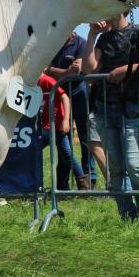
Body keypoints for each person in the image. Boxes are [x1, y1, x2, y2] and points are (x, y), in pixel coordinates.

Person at [82, 13, 139, 220]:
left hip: (131, 106)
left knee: (134, 164)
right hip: (104, 107)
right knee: (115, 166)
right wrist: (91, 35)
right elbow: (88, 68)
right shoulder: (104, 38)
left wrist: (127, 70)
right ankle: (127, 214)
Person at [45, 32, 95, 189]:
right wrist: (63, 72)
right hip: (59, 94)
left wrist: (53, 70)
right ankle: (63, 181)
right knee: (62, 136)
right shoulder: (52, 43)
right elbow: (46, 69)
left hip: (79, 92)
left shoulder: (81, 43)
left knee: (85, 136)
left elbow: (76, 71)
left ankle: (89, 178)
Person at [37, 73, 89, 190]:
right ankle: (84, 184)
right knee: (67, 155)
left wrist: (66, 120)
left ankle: (33, 184)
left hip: (54, 125)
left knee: (33, 150)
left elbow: (65, 97)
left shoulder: (46, 80)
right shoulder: (32, 81)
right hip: (46, 125)